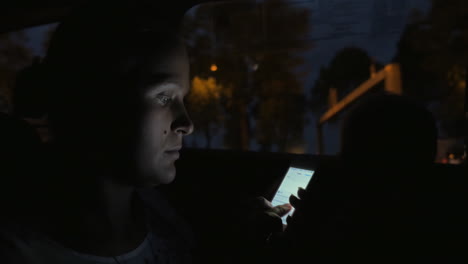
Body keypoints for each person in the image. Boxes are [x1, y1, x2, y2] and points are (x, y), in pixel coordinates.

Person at [0, 2, 291, 263]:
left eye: (183, 98)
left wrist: (241, 240)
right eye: (165, 97)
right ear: (93, 104)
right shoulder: (20, 253)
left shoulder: (154, 207)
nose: (186, 124)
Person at [275, 94, 465, 263]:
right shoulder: (444, 230)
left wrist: (300, 234)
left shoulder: (342, 235)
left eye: (348, 156)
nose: (340, 167)